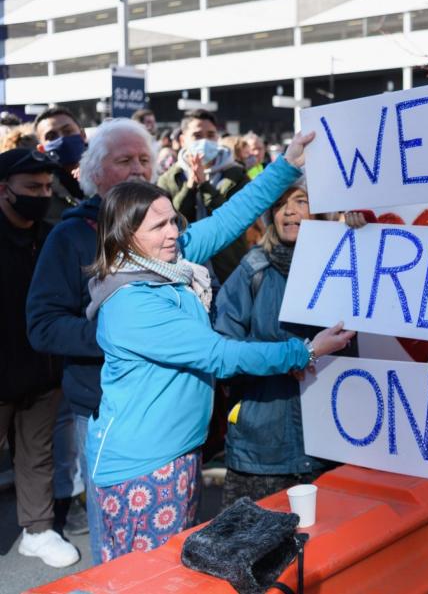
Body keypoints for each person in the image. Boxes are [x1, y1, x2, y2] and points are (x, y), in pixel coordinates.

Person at [84, 131, 354, 562]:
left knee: (172, 571)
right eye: (159, 226)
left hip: (176, 453)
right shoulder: (133, 302)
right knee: (147, 579)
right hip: (144, 467)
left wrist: (286, 165)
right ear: (127, 234)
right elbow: (221, 354)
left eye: (175, 220)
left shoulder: (168, 263)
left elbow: (231, 218)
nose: (174, 232)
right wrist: (304, 351)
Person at [27, 118, 156, 565]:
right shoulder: (71, 235)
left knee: (161, 538)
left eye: (144, 160)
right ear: (95, 174)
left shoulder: (167, 227)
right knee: (118, 539)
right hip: (105, 408)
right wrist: (118, 337)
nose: (138, 170)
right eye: (125, 161)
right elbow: (43, 325)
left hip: (164, 407)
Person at [214, 179, 351, 505]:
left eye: (301, 201)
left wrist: (367, 227)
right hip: (264, 447)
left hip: (331, 439)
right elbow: (223, 352)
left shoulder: (346, 264)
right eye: (280, 205)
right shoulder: (253, 271)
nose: (289, 211)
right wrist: (289, 357)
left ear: (320, 212)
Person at [0, 148, 80, 568]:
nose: (42, 194)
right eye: (32, 187)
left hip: (42, 370)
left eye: (48, 187)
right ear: (3, 189)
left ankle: (38, 530)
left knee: (38, 455)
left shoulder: (52, 236)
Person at [157, 109, 250, 283]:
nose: (205, 141)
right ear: (183, 140)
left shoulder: (237, 176)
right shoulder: (169, 179)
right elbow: (170, 222)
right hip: (184, 274)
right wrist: (190, 187)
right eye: (197, 135)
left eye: (211, 134)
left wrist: (205, 186)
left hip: (229, 272)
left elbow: (235, 219)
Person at [34, 107, 86, 224]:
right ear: (41, 149)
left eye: (68, 131)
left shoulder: (109, 177)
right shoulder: (41, 191)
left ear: (83, 135)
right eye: (51, 136)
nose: (62, 139)